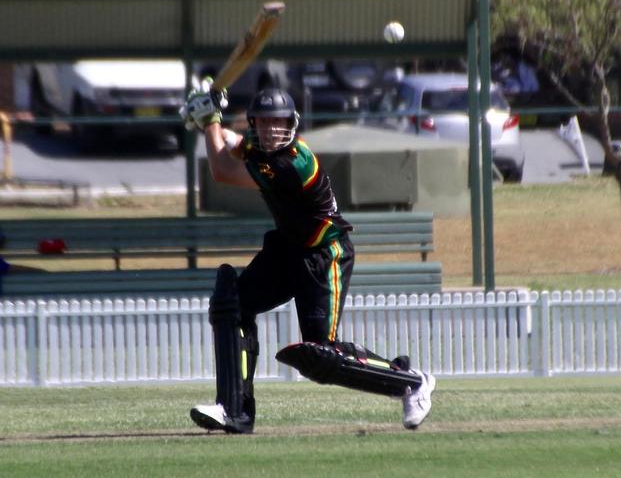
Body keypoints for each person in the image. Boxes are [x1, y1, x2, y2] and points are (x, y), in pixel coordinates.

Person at [180, 80, 436, 434]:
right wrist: (205, 116)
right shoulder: (259, 146)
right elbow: (232, 142)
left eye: (279, 123)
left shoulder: (291, 163)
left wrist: (207, 119)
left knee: (321, 356)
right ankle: (234, 411)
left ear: (291, 124)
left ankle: (410, 382)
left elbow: (222, 169)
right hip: (287, 248)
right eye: (265, 122)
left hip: (324, 254)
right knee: (232, 303)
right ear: (254, 123)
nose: (272, 130)